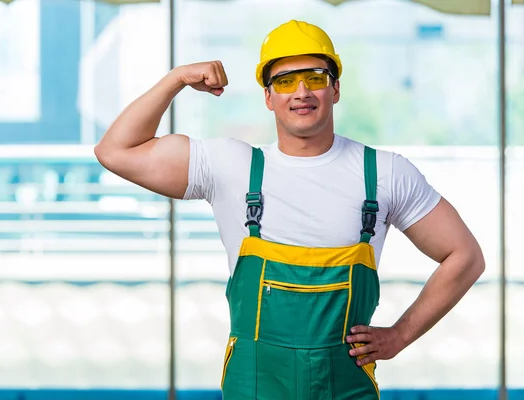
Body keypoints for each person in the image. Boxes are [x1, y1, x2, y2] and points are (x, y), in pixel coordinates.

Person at [94, 19, 485, 400]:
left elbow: (465, 256)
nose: (301, 92)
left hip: (345, 389)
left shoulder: (383, 173)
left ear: (335, 89)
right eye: (284, 81)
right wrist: (176, 79)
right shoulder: (232, 167)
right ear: (268, 97)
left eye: (315, 77)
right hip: (256, 388)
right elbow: (115, 151)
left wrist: (400, 336)